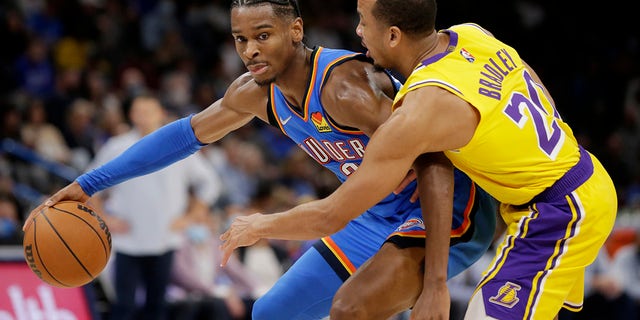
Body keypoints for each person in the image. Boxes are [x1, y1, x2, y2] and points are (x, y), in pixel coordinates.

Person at [23, 1, 497, 319]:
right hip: (374, 213)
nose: (250, 50)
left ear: (295, 30)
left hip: (449, 213)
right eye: (240, 38)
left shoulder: (346, 87)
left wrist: (436, 280)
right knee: (270, 314)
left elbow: (435, 161)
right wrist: (90, 183)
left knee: (353, 310)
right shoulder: (255, 95)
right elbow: (182, 137)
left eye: (263, 35)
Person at [219, 0, 618, 319]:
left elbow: (331, 215)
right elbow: (532, 82)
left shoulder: (420, 108)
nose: (357, 31)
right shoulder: (471, 35)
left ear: (393, 35)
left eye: (362, 20)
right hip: (579, 175)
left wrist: (261, 225)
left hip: (557, 210)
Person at [87, 94, 220, 320]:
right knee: (124, 306)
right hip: (128, 241)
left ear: (160, 114)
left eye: (149, 111)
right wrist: (104, 219)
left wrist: (192, 215)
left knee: (157, 306)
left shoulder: (178, 145)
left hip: (164, 240)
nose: (144, 117)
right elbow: (92, 183)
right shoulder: (116, 146)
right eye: (139, 111)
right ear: (131, 115)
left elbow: (209, 183)